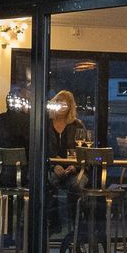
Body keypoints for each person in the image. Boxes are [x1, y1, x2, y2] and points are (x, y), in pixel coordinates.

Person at [45, 89, 89, 237]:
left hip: (74, 170)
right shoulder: (46, 124)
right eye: (59, 104)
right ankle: (52, 223)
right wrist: (53, 165)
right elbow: (41, 149)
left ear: (71, 107)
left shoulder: (77, 125)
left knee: (77, 185)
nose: (62, 107)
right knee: (47, 182)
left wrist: (75, 166)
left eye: (66, 104)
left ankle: (76, 227)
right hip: (52, 169)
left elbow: (85, 151)